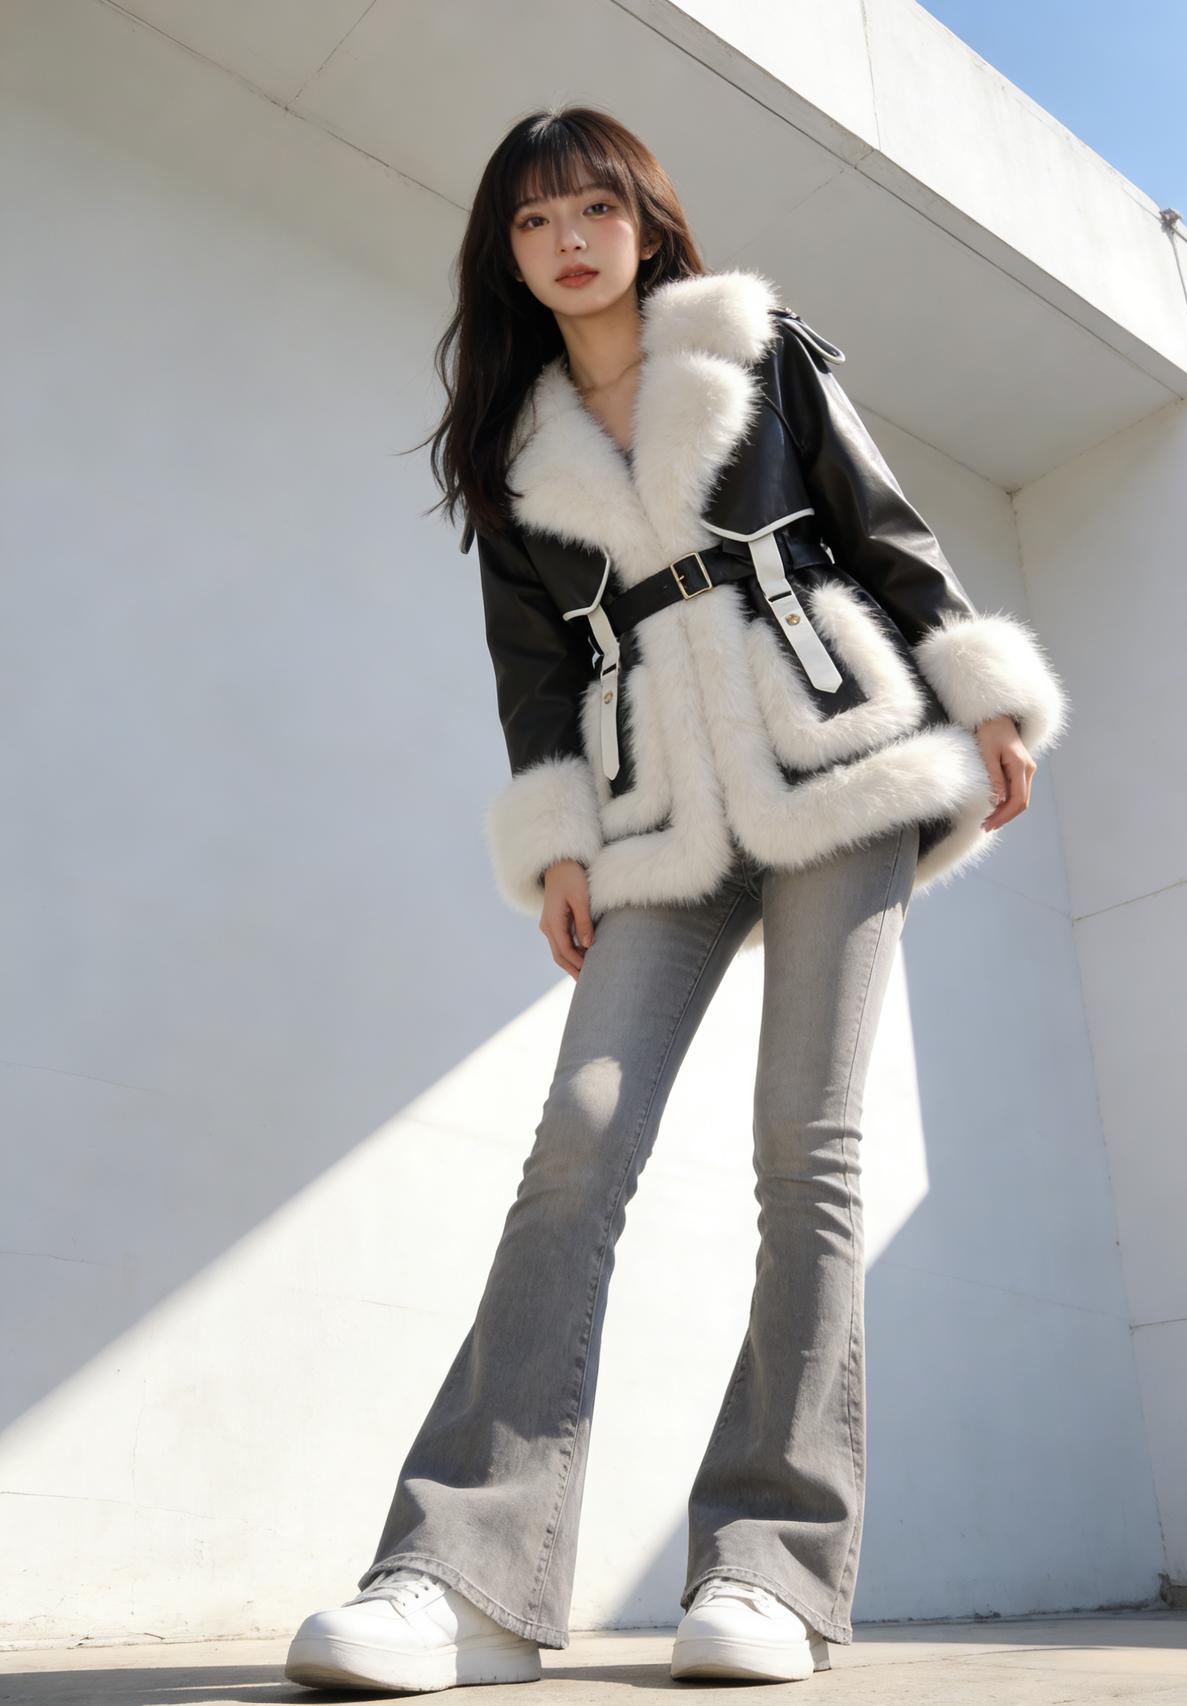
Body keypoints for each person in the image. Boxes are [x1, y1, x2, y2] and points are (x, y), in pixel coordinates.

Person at [285, 104, 1068, 1695]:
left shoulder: (755, 347)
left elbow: (884, 529)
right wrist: (561, 840)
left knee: (805, 1144)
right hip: (657, 812)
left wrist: (984, 691)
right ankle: (465, 1573)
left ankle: (769, 1569)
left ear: (647, 221)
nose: (567, 240)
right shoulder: (515, 453)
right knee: (578, 1137)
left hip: (838, 755)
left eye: (593, 207)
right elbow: (536, 677)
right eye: (532, 221)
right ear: (506, 257)